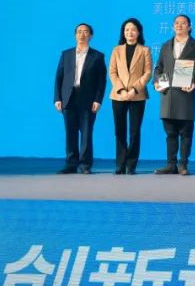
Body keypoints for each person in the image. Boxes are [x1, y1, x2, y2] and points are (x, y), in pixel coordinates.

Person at [153, 15, 195, 175]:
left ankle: (183, 164)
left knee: (185, 133)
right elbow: (159, 68)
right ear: (173, 26)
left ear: (189, 27)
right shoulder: (165, 45)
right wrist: (156, 82)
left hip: (185, 94)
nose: (179, 25)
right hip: (168, 94)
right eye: (176, 23)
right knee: (170, 133)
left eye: (183, 23)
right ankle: (171, 164)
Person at [54, 23, 106, 174]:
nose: (82, 34)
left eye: (85, 32)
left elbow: (101, 81)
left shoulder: (97, 56)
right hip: (68, 98)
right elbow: (59, 77)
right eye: (79, 32)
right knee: (70, 133)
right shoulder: (66, 54)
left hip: (88, 100)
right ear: (75, 35)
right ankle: (71, 164)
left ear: (91, 36)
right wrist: (57, 98)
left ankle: (85, 165)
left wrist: (98, 100)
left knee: (86, 133)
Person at [108, 17, 153, 174]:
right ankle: (120, 163)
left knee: (134, 131)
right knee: (119, 131)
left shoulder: (145, 50)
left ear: (138, 32)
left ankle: (131, 164)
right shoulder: (116, 50)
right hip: (118, 95)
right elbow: (112, 72)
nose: (130, 32)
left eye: (133, 29)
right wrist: (121, 90)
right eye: (127, 30)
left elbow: (148, 73)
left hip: (137, 95)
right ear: (123, 32)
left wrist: (134, 89)